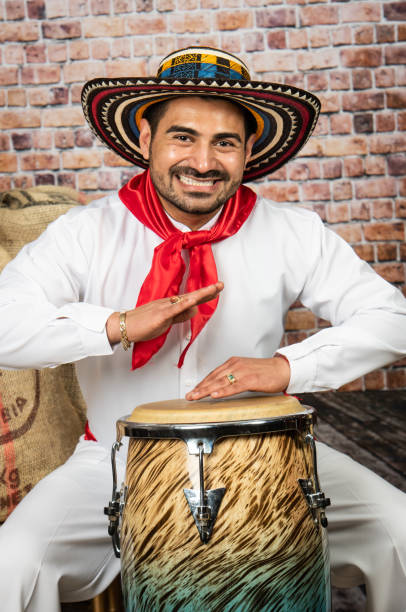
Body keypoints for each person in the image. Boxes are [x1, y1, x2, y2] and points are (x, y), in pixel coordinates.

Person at [0, 47, 405, 611]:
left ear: (248, 153)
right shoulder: (83, 233)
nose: (204, 161)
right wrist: (115, 325)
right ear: (146, 140)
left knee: (401, 532)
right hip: (114, 463)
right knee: (10, 565)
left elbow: (393, 319)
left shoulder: (292, 232)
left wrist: (286, 367)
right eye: (183, 137)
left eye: (225, 143)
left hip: (270, 452)